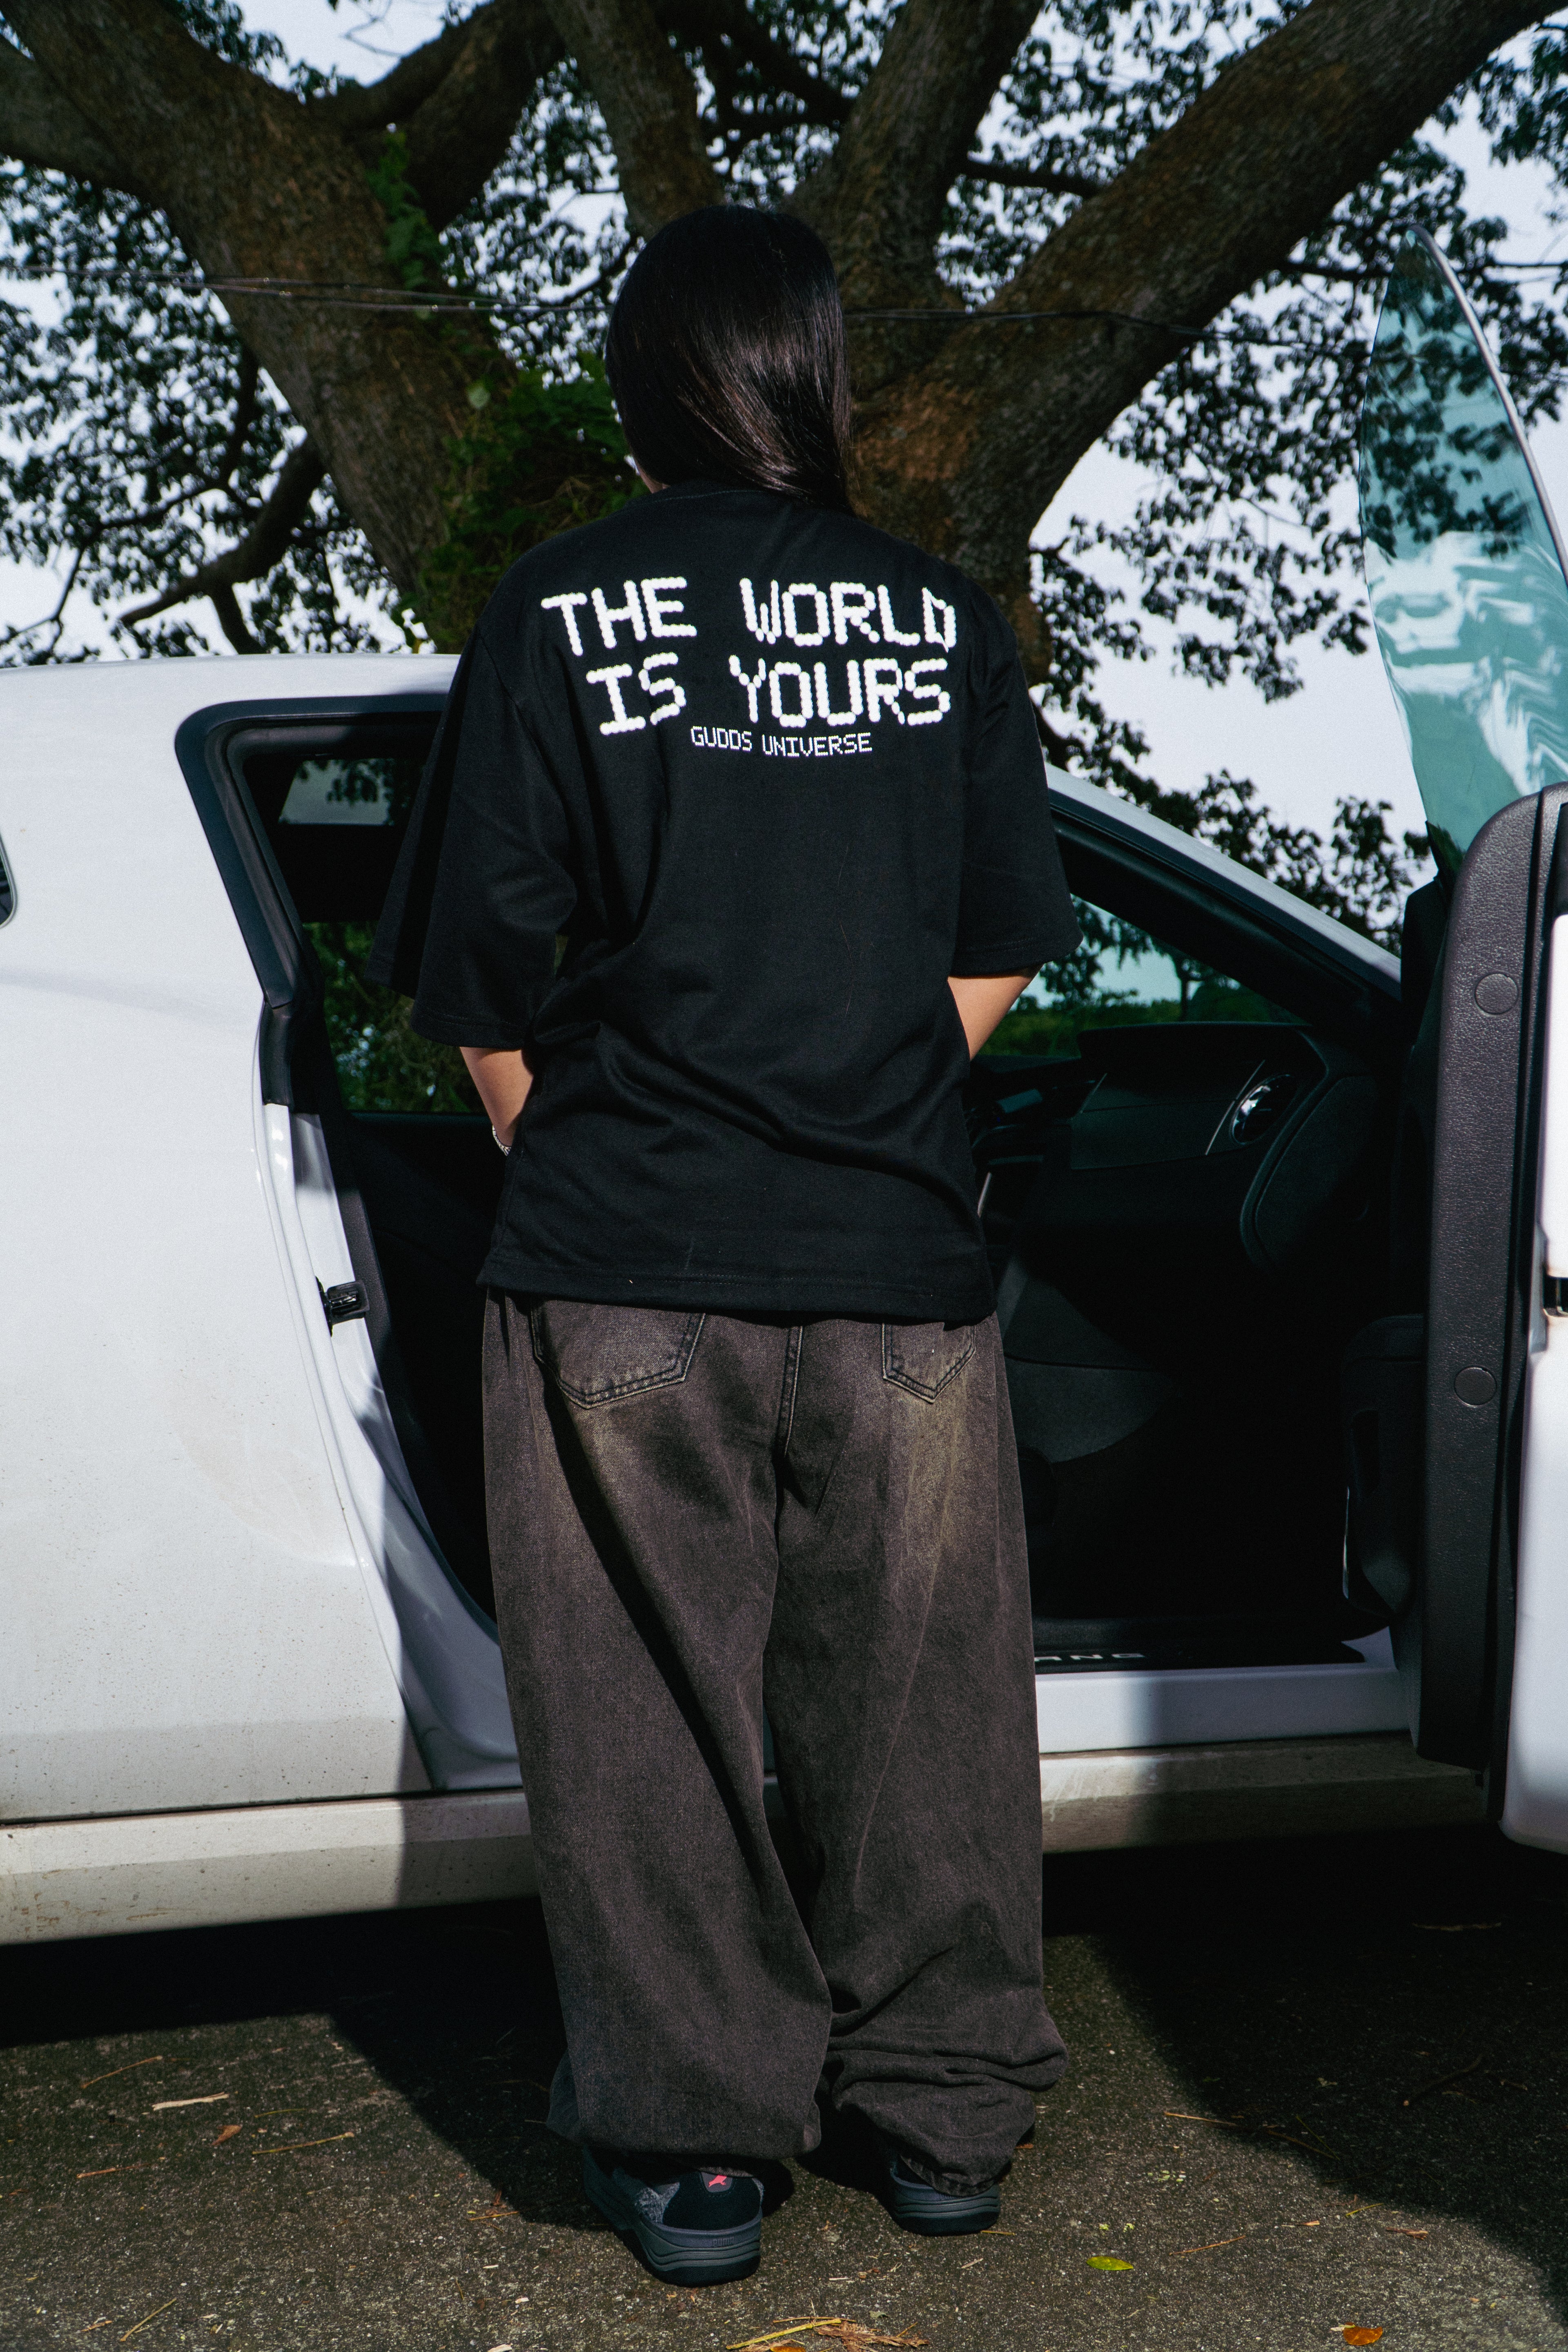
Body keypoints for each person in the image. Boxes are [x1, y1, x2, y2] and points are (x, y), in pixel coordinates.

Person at [369, 203, 1077, 2288]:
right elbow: (1004, 947)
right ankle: (943, 2118)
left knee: (647, 1716)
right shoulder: (944, 622)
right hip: (897, 1263)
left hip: (623, 1251)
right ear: (818, 373)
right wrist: (861, 1097)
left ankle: (694, 2156)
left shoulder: (555, 608)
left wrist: (582, 1144)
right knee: (926, 1710)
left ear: (642, 386)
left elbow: (475, 981)